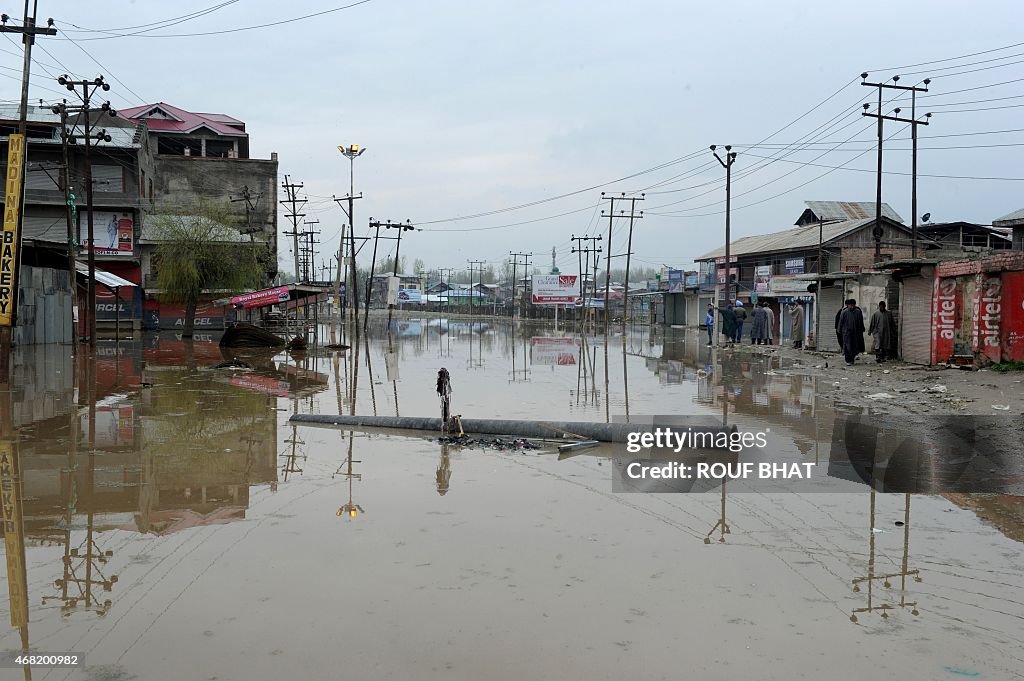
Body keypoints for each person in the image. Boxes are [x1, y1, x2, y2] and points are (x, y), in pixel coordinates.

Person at [837, 298, 866, 366]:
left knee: (854, 346)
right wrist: (839, 331)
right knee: (847, 347)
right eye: (850, 305)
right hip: (846, 333)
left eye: (853, 305)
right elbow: (840, 322)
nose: (851, 306)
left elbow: (860, 322)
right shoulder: (844, 312)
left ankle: (852, 359)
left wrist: (861, 329)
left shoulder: (858, 312)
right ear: (848, 305)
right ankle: (848, 360)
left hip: (855, 333)